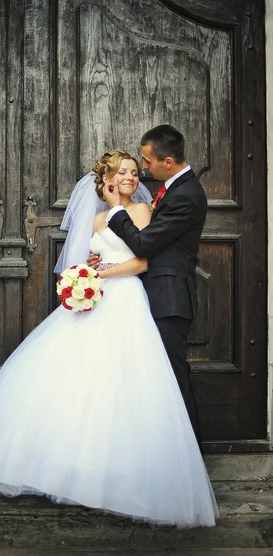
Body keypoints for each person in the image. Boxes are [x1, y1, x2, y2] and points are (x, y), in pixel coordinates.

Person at [0, 150, 218, 528]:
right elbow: (82, 259)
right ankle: (72, 474)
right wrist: (83, 275)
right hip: (95, 304)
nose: (133, 177)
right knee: (79, 384)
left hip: (129, 299)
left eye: (136, 172)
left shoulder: (142, 213)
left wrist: (105, 274)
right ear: (108, 180)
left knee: (122, 385)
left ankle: (121, 479)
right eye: (124, 172)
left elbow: (143, 261)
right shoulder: (97, 218)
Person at [89, 125, 206, 451]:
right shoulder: (174, 188)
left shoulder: (186, 195)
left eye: (146, 162)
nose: (142, 169)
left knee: (173, 381)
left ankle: (188, 461)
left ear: (167, 162)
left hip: (169, 298)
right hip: (148, 297)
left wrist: (115, 211)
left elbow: (143, 245)